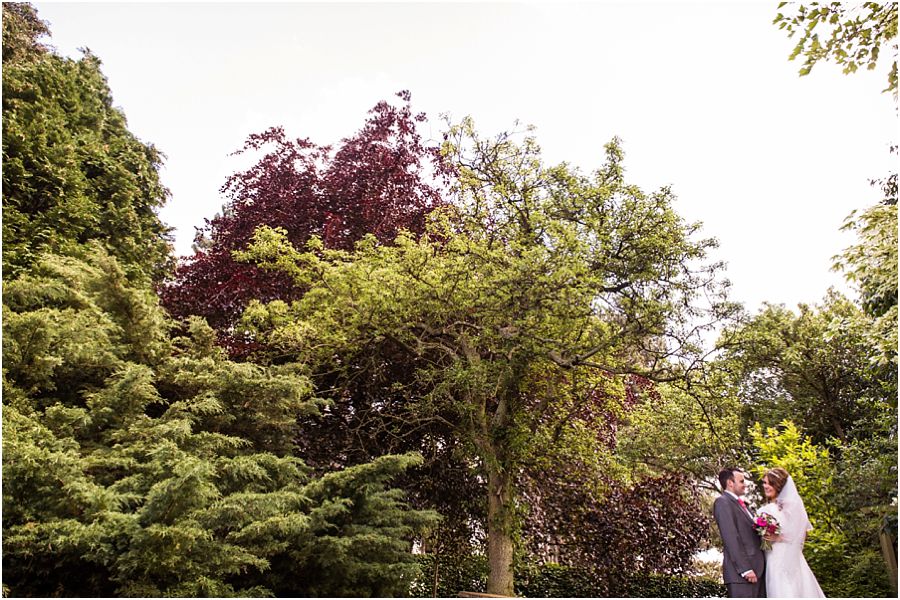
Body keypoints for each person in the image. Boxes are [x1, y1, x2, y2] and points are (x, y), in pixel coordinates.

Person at [757, 467, 825, 598]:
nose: (765, 486)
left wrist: (779, 538)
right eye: (764, 483)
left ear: (778, 485)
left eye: (770, 483)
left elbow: (802, 532)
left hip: (787, 557)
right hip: (771, 556)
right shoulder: (765, 509)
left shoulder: (792, 506)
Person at [713, 467, 767, 598]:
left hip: (758, 571)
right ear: (730, 483)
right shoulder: (723, 502)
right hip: (742, 576)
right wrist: (745, 569)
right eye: (741, 481)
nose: (745, 484)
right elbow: (731, 537)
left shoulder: (744, 505)